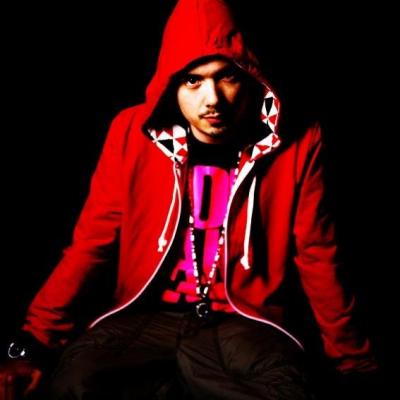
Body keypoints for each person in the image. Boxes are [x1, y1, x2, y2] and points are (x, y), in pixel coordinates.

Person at [4, 0, 378, 398]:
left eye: (227, 76)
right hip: (146, 316)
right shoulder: (130, 132)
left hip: (246, 321)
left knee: (285, 392)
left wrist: (353, 362)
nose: (212, 99)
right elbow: (92, 243)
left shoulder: (299, 142)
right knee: (73, 384)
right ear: (172, 85)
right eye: (192, 81)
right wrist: (35, 342)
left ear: (249, 77)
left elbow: (318, 254)